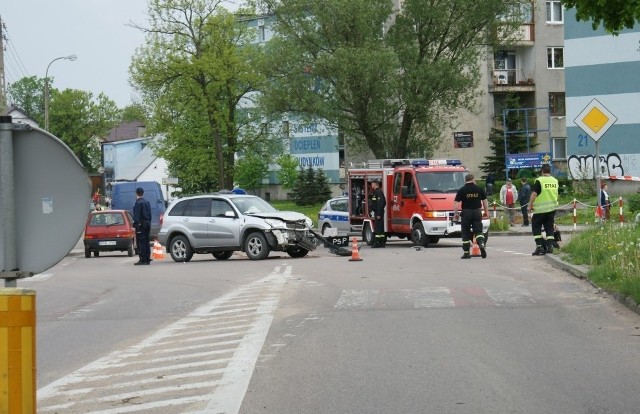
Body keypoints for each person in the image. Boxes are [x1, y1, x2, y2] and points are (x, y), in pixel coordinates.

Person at [454, 174, 489, 259]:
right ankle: (481, 244)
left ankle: (466, 253)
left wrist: (456, 214)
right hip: (477, 211)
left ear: (465, 180)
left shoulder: (462, 190)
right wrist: (486, 211)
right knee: (478, 230)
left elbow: (456, 203)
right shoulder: (479, 188)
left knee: (465, 232)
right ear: (473, 179)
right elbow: (485, 201)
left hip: (466, 212)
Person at [528, 164, 559, 256]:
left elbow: (534, 194)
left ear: (542, 171)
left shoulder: (539, 180)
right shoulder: (555, 181)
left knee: (536, 227)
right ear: (550, 171)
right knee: (549, 228)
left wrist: (530, 205)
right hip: (551, 209)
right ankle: (550, 247)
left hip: (539, 210)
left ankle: (539, 247)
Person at [133, 187, 152, 265]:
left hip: (141, 224)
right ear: (143, 193)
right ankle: (147, 258)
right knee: (147, 241)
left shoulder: (138, 203)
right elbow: (150, 214)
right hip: (148, 223)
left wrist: (136, 224)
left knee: (141, 242)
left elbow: (137, 216)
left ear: (136, 193)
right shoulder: (147, 202)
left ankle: (143, 259)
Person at [370, 179, 386, 248]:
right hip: (377, 212)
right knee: (379, 227)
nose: (371, 185)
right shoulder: (376, 192)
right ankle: (381, 242)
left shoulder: (378, 192)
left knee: (378, 228)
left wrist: (379, 213)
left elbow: (381, 203)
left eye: (372, 184)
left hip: (378, 213)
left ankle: (377, 242)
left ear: (375, 184)